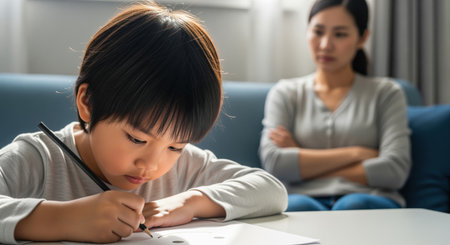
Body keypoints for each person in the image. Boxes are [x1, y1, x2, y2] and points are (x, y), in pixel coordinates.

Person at [0, 2, 287, 243]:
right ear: (88, 103)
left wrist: (187, 203)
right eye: (137, 139)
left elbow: (270, 190)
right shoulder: (38, 158)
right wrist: (61, 219)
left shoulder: (186, 167)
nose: (152, 165)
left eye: (176, 146)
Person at [259, 0, 410, 211]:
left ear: (362, 38)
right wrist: (355, 153)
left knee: (353, 205)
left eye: (340, 34)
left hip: (369, 199)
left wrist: (301, 156)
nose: (325, 45)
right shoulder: (285, 93)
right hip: (300, 198)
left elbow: (395, 170)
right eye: (318, 32)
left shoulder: (386, 94)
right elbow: (275, 164)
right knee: (298, 207)